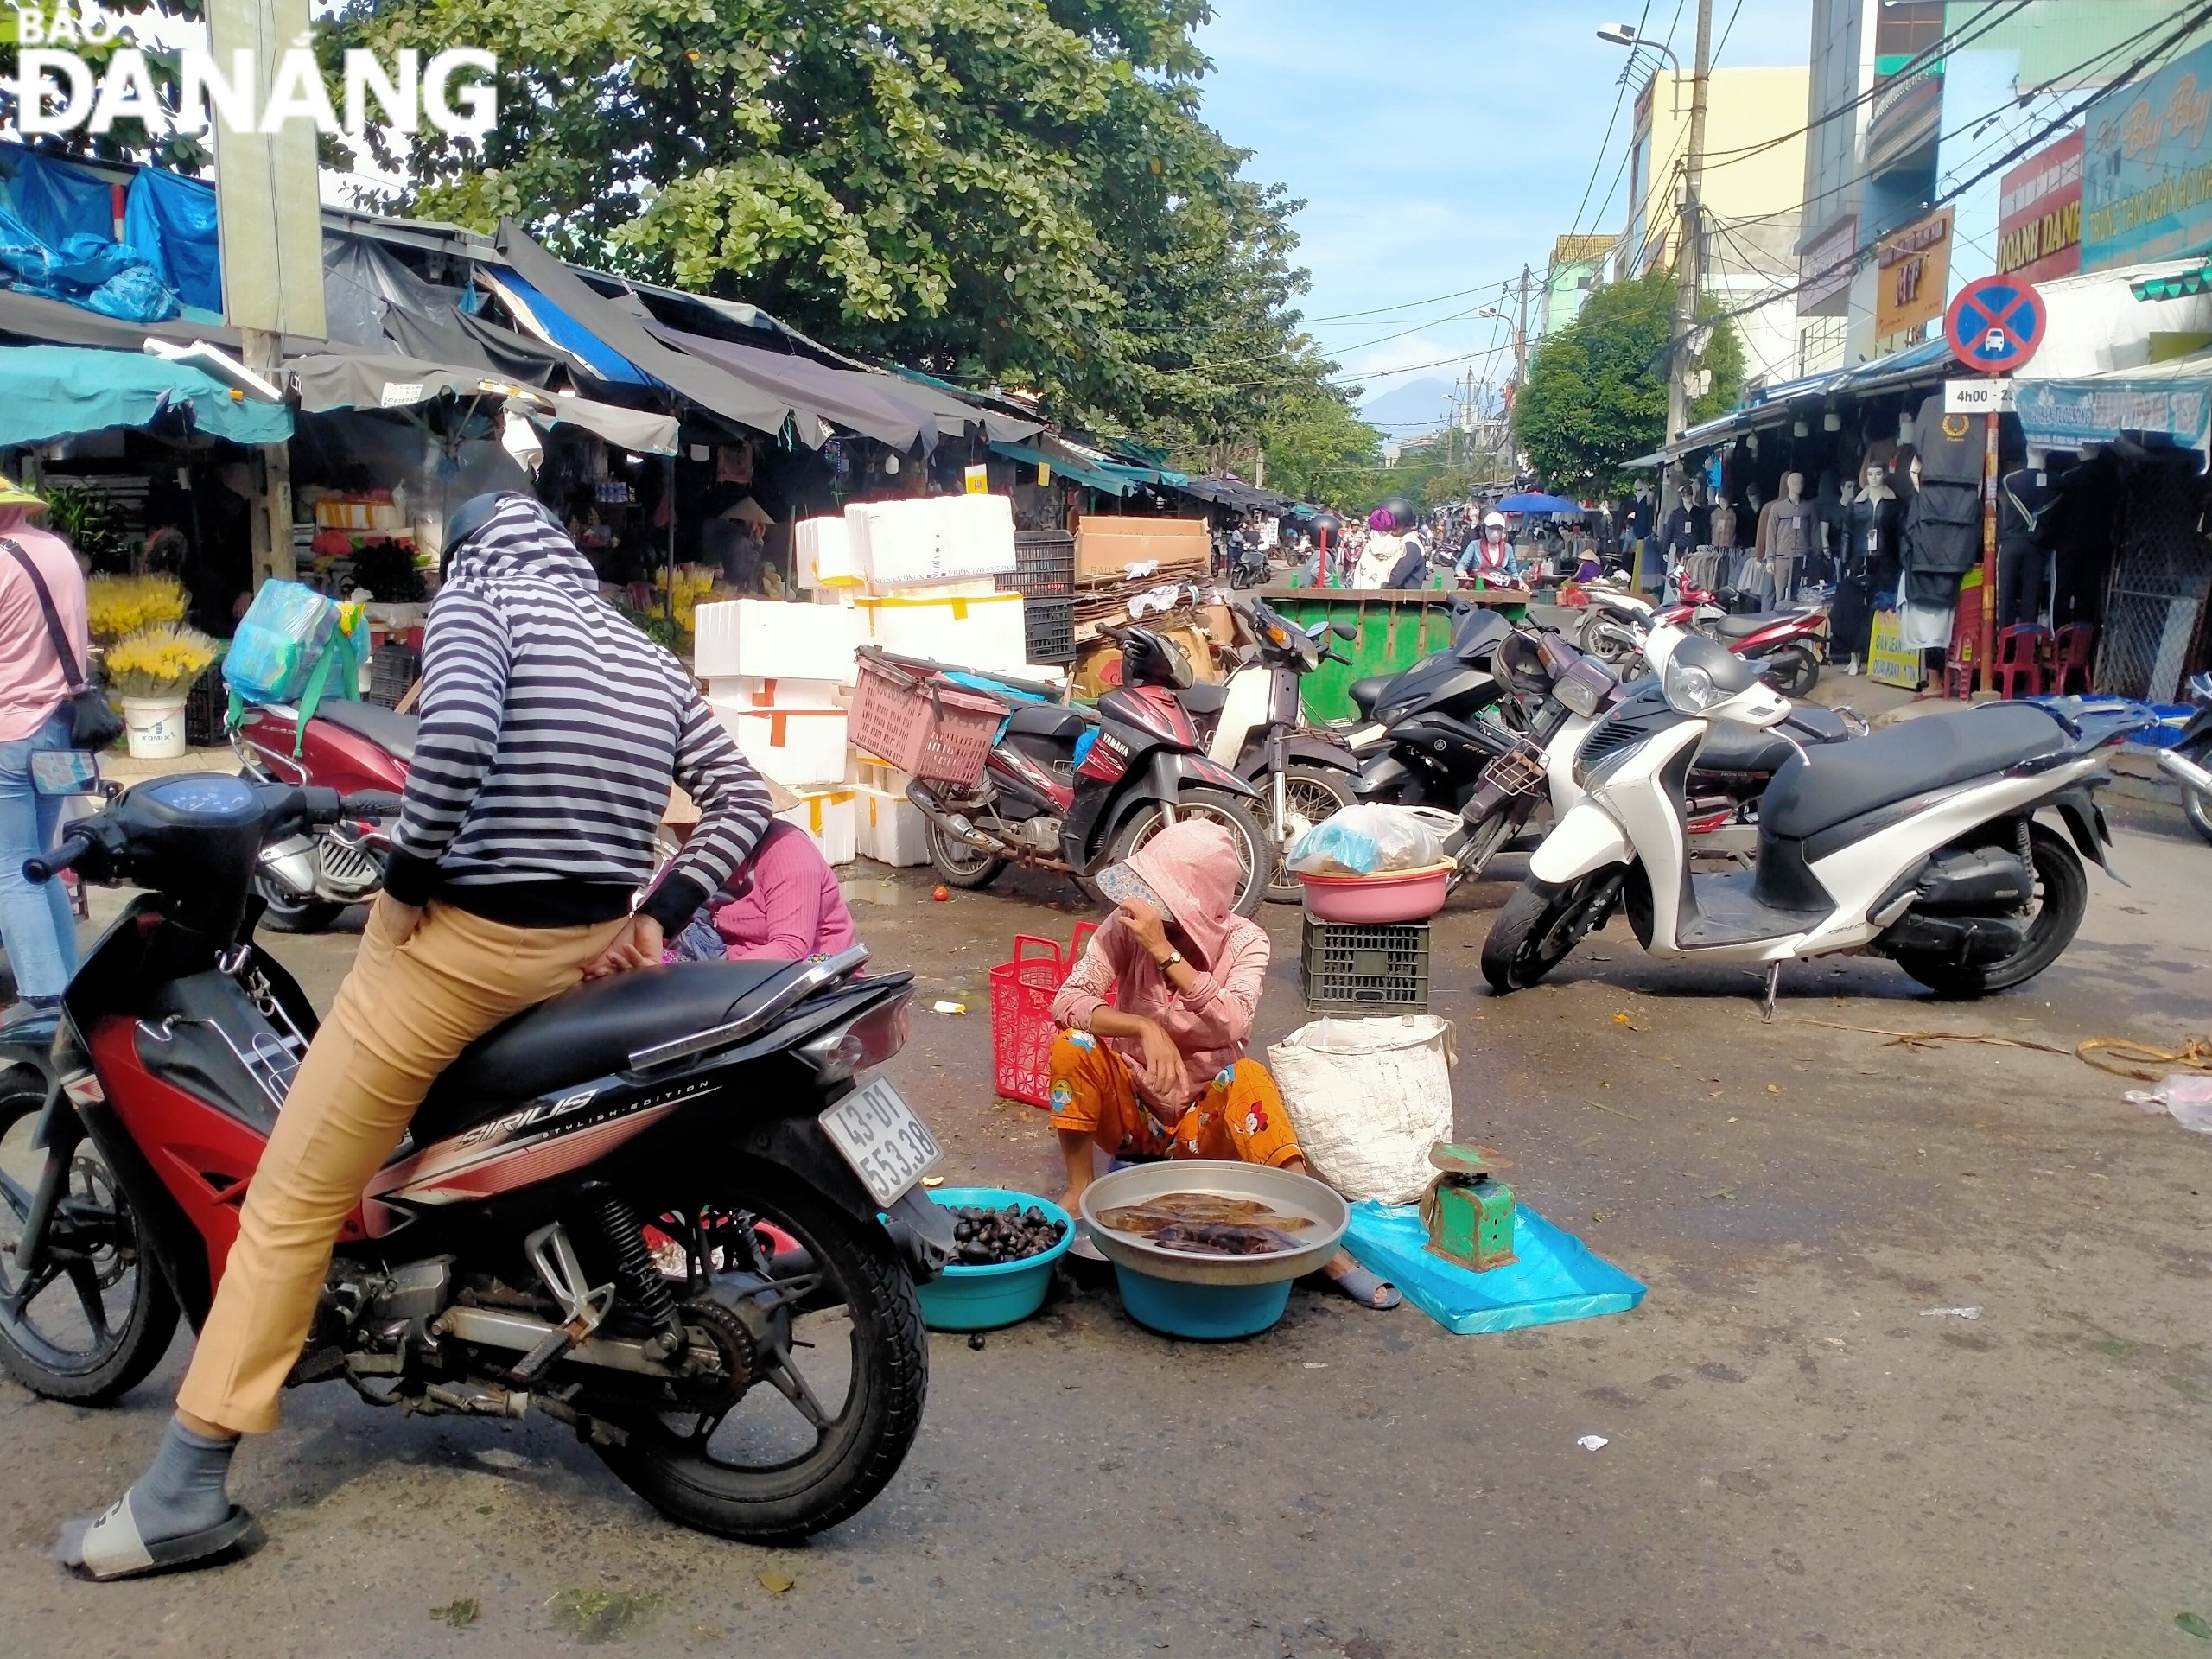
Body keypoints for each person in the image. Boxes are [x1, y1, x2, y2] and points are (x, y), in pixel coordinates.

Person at [56, 492, 778, 1581]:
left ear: (468, 552)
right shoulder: (636, 648)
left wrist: (402, 886)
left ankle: (182, 1490)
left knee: (293, 1198)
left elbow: (448, 760)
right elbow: (742, 802)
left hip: (467, 955)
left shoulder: (481, 605)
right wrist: (655, 920)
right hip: (585, 947)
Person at [1046, 820, 1400, 1309]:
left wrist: (1165, 952)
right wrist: (1142, 1028)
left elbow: (1234, 1021)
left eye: (1165, 899)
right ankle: (1078, 1190)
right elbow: (1068, 999)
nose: (1151, 909)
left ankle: (1319, 1239)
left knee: (1249, 1076)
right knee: (1074, 1045)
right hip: (1132, 1118)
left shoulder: (1246, 943)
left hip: (1203, 1129)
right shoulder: (1123, 928)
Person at [0, 477, 86, 1018]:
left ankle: (45, 1004)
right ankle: (73, 993)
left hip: (9, 734)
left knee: (10, 869)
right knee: (42, 863)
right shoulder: (57, 552)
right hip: (63, 730)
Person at [667, 809, 857, 963]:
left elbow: (790, 948)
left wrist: (713, 982)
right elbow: (658, 917)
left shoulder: (788, 851)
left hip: (805, 971)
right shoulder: (696, 853)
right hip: (732, 962)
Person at [1456, 510, 1513, 585]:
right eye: (1492, 528)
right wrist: (1460, 571)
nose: (1495, 532)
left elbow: (1513, 572)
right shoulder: (1474, 545)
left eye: (1498, 528)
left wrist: (1521, 583)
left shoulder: (1508, 548)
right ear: (1485, 528)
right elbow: (1462, 563)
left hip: (1501, 589)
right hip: (1476, 587)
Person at [1351, 508, 1402, 589]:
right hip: (1389, 596)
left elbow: (1359, 576)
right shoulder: (1401, 545)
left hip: (1366, 596)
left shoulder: (1369, 548)